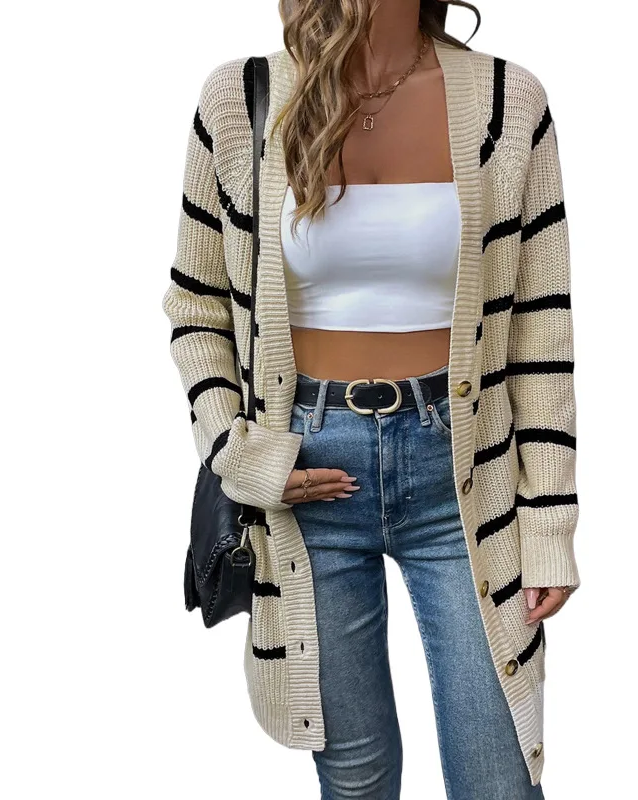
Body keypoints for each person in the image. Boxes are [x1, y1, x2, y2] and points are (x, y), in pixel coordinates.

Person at [162, 1, 580, 797]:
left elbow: (541, 330)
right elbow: (196, 306)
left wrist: (550, 524)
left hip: (466, 472)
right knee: (356, 781)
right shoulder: (240, 102)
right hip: (305, 477)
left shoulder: (507, 102)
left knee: (498, 777)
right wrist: (243, 459)